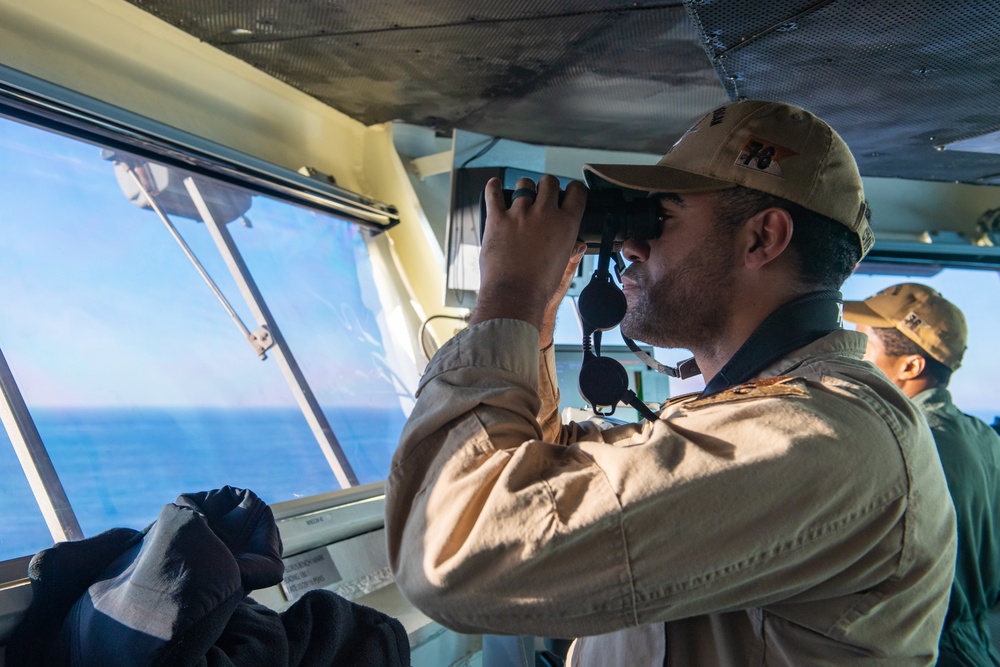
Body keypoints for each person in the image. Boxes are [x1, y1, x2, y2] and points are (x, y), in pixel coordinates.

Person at [385, 100, 957, 665]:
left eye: (662, 217)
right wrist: (534, 312)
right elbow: (542, 476)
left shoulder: (820, 435)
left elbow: (456, 553)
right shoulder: (748, 412)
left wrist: (508, 295)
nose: (632, 245)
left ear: (762, 238)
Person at [844, 283, 1000, 666]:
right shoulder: (986, 439)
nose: (852, 355)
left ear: (910, 366)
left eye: (864, 345)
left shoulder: (903, 444)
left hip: (928, 649)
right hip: (979, 647)